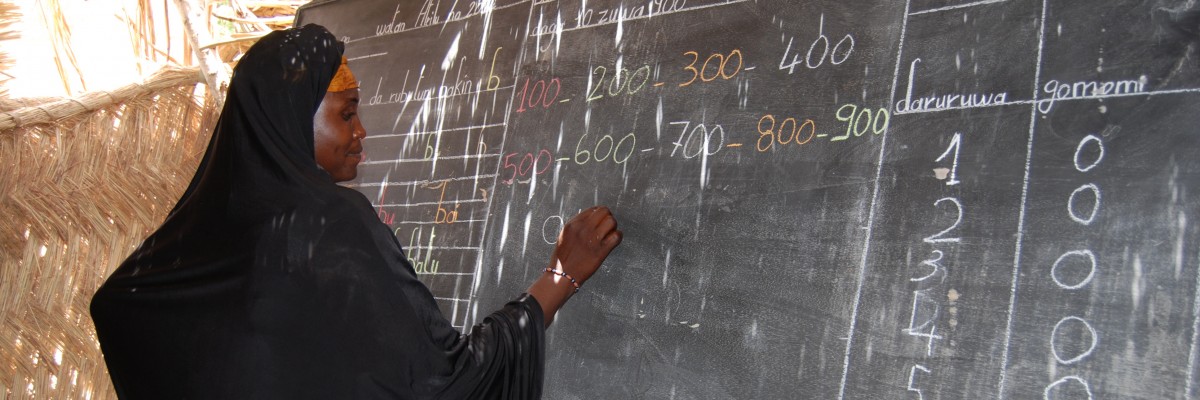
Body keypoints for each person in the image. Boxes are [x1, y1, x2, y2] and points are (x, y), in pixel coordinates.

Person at [90, 24, 622, 399]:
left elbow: (113, 306)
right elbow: (444, 382)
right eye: (347, 114)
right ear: (292, 118)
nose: (361, 133)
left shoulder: (186, 254)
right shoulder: (327, 223)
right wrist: (561, 275)